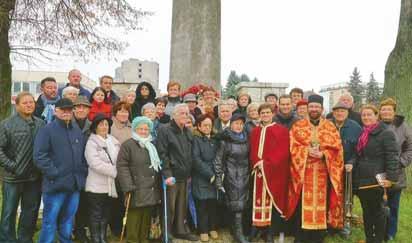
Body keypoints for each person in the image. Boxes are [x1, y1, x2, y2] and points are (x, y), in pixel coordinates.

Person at [287, 94, 344, 243]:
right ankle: (301, 238)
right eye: (311, 107)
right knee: (302, 208)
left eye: (316, 107)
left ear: (321, 108)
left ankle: (318, 238)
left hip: (323, 174)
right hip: (303, 175)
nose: (314, 109)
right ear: (307, 108)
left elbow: (337, 150)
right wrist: (305, 151)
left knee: (322, 206)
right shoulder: (298, 126)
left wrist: (323, 153)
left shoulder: (330, 127)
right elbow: (292, 147)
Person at [33, 98, 88, 243]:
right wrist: (54, 173)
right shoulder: (47, 130)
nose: (66, 112)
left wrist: (81, 174)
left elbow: (82, 156)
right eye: (63, 110)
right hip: (55, 185)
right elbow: (39, 156)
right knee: (50, 222)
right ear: (56, 111)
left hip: (74, 185)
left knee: (68, 221)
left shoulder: (76, 131)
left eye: (69, 110)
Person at [0, 92, 45, 243]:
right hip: (13, 177)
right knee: (9, 212)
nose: (29, 105)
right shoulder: (7, 124)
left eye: (31, 102)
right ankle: (7, 239)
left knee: (31, 211)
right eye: (25, 103)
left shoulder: (40, 123)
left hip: (34, 177)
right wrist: (13, 166)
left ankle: (25, 239)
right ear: (17, 105)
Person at [353, 104, 399, 243]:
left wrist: (391, 178)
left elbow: (392, 157)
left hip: (377, 180)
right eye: (363, 115)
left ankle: (378, 240)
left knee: (378, 213)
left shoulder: (386, 132)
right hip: (363, 179)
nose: (366, 117)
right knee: (366, 211)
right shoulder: (363, 133)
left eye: (369, 114)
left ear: (376, 116)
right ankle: (369, 238)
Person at [156, 104, 199, 241]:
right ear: (174, 115)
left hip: (185, 176)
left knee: (182, 206)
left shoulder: (187, 132)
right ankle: (166, 233)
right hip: (172, 176)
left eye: (187, 114)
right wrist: (167, 174)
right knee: (170, 207)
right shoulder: (165, 130)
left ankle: (180, 230)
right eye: (181, 113)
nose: (185, 116)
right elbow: (162, 154)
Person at [116, 116, 162, 243]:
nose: (143, 131)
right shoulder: (128, 145)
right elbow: (122, 166)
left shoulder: (152, 146)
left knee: (146, 221)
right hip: (135, 189)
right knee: (133, 221)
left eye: (146, 129)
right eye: (140, 129)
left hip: (150, 189)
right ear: (135, 130)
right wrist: (128, 186)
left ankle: (143, 240)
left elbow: (157, 166)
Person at [249, 103, 290, 243]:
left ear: (273, 114)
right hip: (257, 172)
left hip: (274, 173)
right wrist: (256, 162)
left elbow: (283, 152)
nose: (265, 115)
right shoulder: (254, 131)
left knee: (271, 202)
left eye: (267, 112)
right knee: (257, 200)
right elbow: (252, 150)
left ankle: (270, 232)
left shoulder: (281, 131)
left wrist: (266, 163)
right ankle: (258, 229)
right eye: (262, 113)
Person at [378, 98, 412, 241]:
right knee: (379, 205)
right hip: (378, 173)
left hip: (396, 173)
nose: (386, 112)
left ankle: (391, 232)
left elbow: (410, 148)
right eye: (383, 109)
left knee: (393, 205)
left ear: (394, 111)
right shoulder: (376, 125)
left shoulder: (403, 127)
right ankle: (379, 230)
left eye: (389, 109)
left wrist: (401, 162)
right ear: (380, 112)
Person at [214, 113, 250, 243]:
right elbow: (218, 161)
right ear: (231, 124)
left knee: (242, 204)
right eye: (236, 123)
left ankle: (236, 231)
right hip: (231, 177)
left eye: (241, 124)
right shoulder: (225, 141)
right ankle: (238, 235)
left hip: (245, 176)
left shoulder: (246, 139)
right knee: (236, 205)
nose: (239, 126)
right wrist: (219, 179)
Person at [85, 114, 120, 243]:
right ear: (95, 127)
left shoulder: (113, 141)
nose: (104, 127)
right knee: (96, 214)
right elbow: (95, 163)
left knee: (106, 214)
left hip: (111, 186)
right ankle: (95, 238)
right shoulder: (91, 142)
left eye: (106, 124)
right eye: (101, 124)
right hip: (96, 185)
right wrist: (115, 171)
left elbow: (119, 159)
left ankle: (103, 237)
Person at [329, 101, 362, 237]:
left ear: (348, 112)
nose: (339, 113)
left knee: (346, 198)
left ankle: (345, 224)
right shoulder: (328, 125)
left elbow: (359, 150)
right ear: (333, 112)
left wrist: (352, 162)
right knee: (330, 196)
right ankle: (330, 224)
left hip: (347, 169)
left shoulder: (355, 127)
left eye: (342, 111)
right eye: (337, 111)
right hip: (329, 169)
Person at [191, 114, 220, 242]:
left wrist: (218, 173)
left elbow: (219, 157)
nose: (208, 127)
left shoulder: (215, 139)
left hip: (215, 175)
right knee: (202, 204)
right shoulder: (196, 140)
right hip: (201, 176)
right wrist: (210, 174)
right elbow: (196, 159)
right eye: (205, 125)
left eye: (209, 125)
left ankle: (212, 228)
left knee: (212, 204)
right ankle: (203, 230)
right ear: (199, 126)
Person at [71, 95, 92, 243]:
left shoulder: (92, 126)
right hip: (69, 170)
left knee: (84, 204)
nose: (80, 109)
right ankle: (65, 231)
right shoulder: (66, 124)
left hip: (87, 170)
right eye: (77, 107)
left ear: (88, 110)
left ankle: (80, 231)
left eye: (84, 107)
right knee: (68, 204)